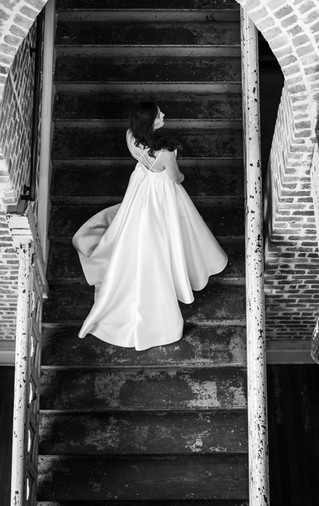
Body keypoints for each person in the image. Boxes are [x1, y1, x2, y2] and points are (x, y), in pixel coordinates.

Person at [72, 101, 228, 351]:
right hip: (161, 192)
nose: (163, 114)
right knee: (171, 230)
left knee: (136, 222)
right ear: (150, 122)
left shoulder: (131, 137)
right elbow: (175, 177)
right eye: (159, 115)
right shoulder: (165, 153)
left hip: (142, 183)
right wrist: (183, 176)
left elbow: (143, 162)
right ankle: (182, 268)